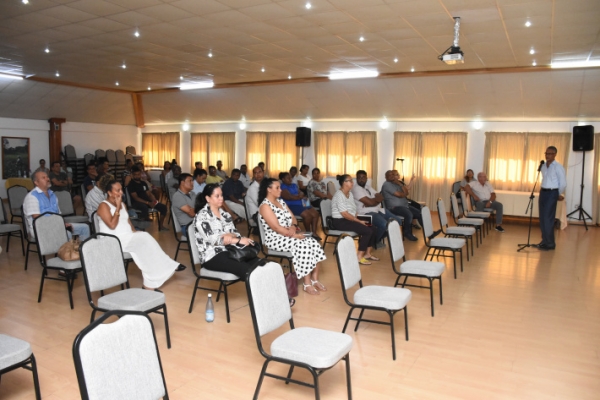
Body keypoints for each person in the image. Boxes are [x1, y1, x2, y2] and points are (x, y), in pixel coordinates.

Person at [97, 180, 184, 290]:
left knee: (145, 244)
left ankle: (149, 283)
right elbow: (112, 225)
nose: (121, 192)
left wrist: (134, 231)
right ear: (109, 193)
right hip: (113, 240)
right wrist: (118, 208)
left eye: (121, 189)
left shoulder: (123, 204)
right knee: (145, 238)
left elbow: (128, 222)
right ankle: (169, 266)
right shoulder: (103, 206)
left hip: (127, 237)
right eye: (117, 190)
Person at [258, 178, 326, 295]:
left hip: (288, 235)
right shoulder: (265, 206)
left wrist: (293, 227)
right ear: (268, 190)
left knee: (313, 242)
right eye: (277, 188)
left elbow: (293, 218)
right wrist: (294, 236)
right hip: (275, 239)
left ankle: (315, 279)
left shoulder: (281, 202)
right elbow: (276, 228)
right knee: (302, 244)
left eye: (280, 187)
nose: (281, 190)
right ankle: (307, 283)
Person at [193, 184, 258, 280]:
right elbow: (215, 240)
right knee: (247, 269)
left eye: (221, 195)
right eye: (217, 196)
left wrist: (229, 235)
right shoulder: (201, 217)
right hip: (212, 256)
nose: (221, 199)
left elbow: (235, 233)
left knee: (260, 264)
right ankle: (261, 293)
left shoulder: (225, 214)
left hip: (230, 250)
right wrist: (238, 240)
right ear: (208, 198)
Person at [23, 171, 90, 241]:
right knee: (66, 233)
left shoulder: (53, 195)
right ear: (36, 182)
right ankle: (66, 251)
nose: (48, 179)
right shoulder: (32, 196)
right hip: (40, 228)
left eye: (47, 177)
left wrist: (63, 223)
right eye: (43, 178)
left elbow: (58, 214)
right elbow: (38, 219)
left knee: (84, 228)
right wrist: (58, 225)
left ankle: (82, 251)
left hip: (56, 225)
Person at [331, 174, 378, 265]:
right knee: (367, 231)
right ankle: (359, 257)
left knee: (373, 228)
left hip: (349, 219)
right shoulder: (339, 195)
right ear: (344, 183)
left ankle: (367, 254)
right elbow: (344, 214)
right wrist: (359, 221)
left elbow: (353, 209)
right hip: (340, 221)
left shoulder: (350, 194)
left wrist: (358, 217)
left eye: (352, 181)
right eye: (350, 181)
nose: (353, 183)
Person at [351, 170, 408, 244]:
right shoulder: (356, 189)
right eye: (359, 177)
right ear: (356, 178)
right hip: (365, 213)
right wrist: (373, 202)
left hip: (377, 210)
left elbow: (381, 197)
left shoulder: (368, 187)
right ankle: (372, 243)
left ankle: (375, 239)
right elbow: (371, 202)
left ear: (366, 178)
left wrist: (372, 202)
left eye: (363, 177)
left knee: (397, 222)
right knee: (384, 224)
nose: (361, 179)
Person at [537, 146, 566, 251]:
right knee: (542, 218)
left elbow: (563, 183)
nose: (547, 155)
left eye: (549, 154)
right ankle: (544, 241)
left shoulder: (558, 167)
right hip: (543, 192)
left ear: (554, 155)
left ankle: (550, 244)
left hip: (552, 193)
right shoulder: (543, 166)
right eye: (546, 153)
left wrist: (558, 193)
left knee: (548, 219)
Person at [381, 170, 421, 241]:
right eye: (389, 175)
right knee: (409, 214)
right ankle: (407, 233)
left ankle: (429, 233)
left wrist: (400, 184)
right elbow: (399, 195)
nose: (392, 176)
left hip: (404, 206)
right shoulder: (387, 184)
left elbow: (407, 192)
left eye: (393, 175)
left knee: (419, 213)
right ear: (386, 177)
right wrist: (403, 194)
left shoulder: (397, 183)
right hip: (394, 208)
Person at [127, 166, 169, 231]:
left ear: (141, 174)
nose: (137, 176)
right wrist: (148, 203)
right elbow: (136, 197)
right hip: (136, 203)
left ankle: (161, 226)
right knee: (144, 207)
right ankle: (142, 228)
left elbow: (149, 194)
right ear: (132, 175)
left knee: (163, 207)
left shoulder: (143, 183)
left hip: (147, 201)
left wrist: (154, 201)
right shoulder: (131, 185)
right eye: (135, 175)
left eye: (138, 174)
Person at [279, 172, 320, 236]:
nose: (290, 179)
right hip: (291, 205)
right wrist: (300, 196)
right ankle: (308, 233)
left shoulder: (294, 185)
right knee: (308, 215)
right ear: (283, 179)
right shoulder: (282, 187)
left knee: (316, 213)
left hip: (302, 202)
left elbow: (301, 192)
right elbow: (289, 197)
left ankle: (314, 233)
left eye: (290, 178)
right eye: (288, 178)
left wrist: (300, 196)